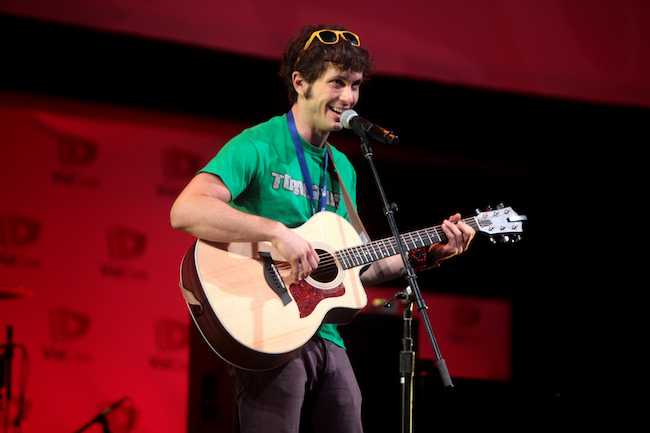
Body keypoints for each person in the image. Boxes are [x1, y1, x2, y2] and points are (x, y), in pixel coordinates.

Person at [170, 24, 475, 433]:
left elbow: (363, 264)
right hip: (270, 330)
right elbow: (186, 209)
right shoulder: (259, 144)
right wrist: (278, 233)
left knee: (348, 409)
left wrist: (429, 253)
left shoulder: (343, 168)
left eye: (355, 85)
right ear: (301, 82)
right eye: (337, 83)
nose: (348, 98)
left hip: (324, 331)